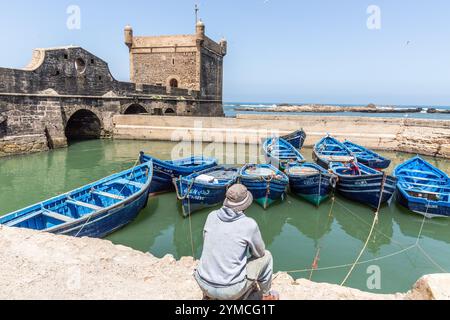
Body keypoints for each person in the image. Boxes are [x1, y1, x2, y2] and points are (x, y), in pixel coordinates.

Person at [194, 184, 279, 300]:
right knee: (267, 256)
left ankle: (210, 295)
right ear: (245, 204)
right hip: (230, 290)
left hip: (203, 283)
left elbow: (208, 244)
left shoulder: (211, 216)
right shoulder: (249, 224)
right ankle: (267, 295)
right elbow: (259, 254)